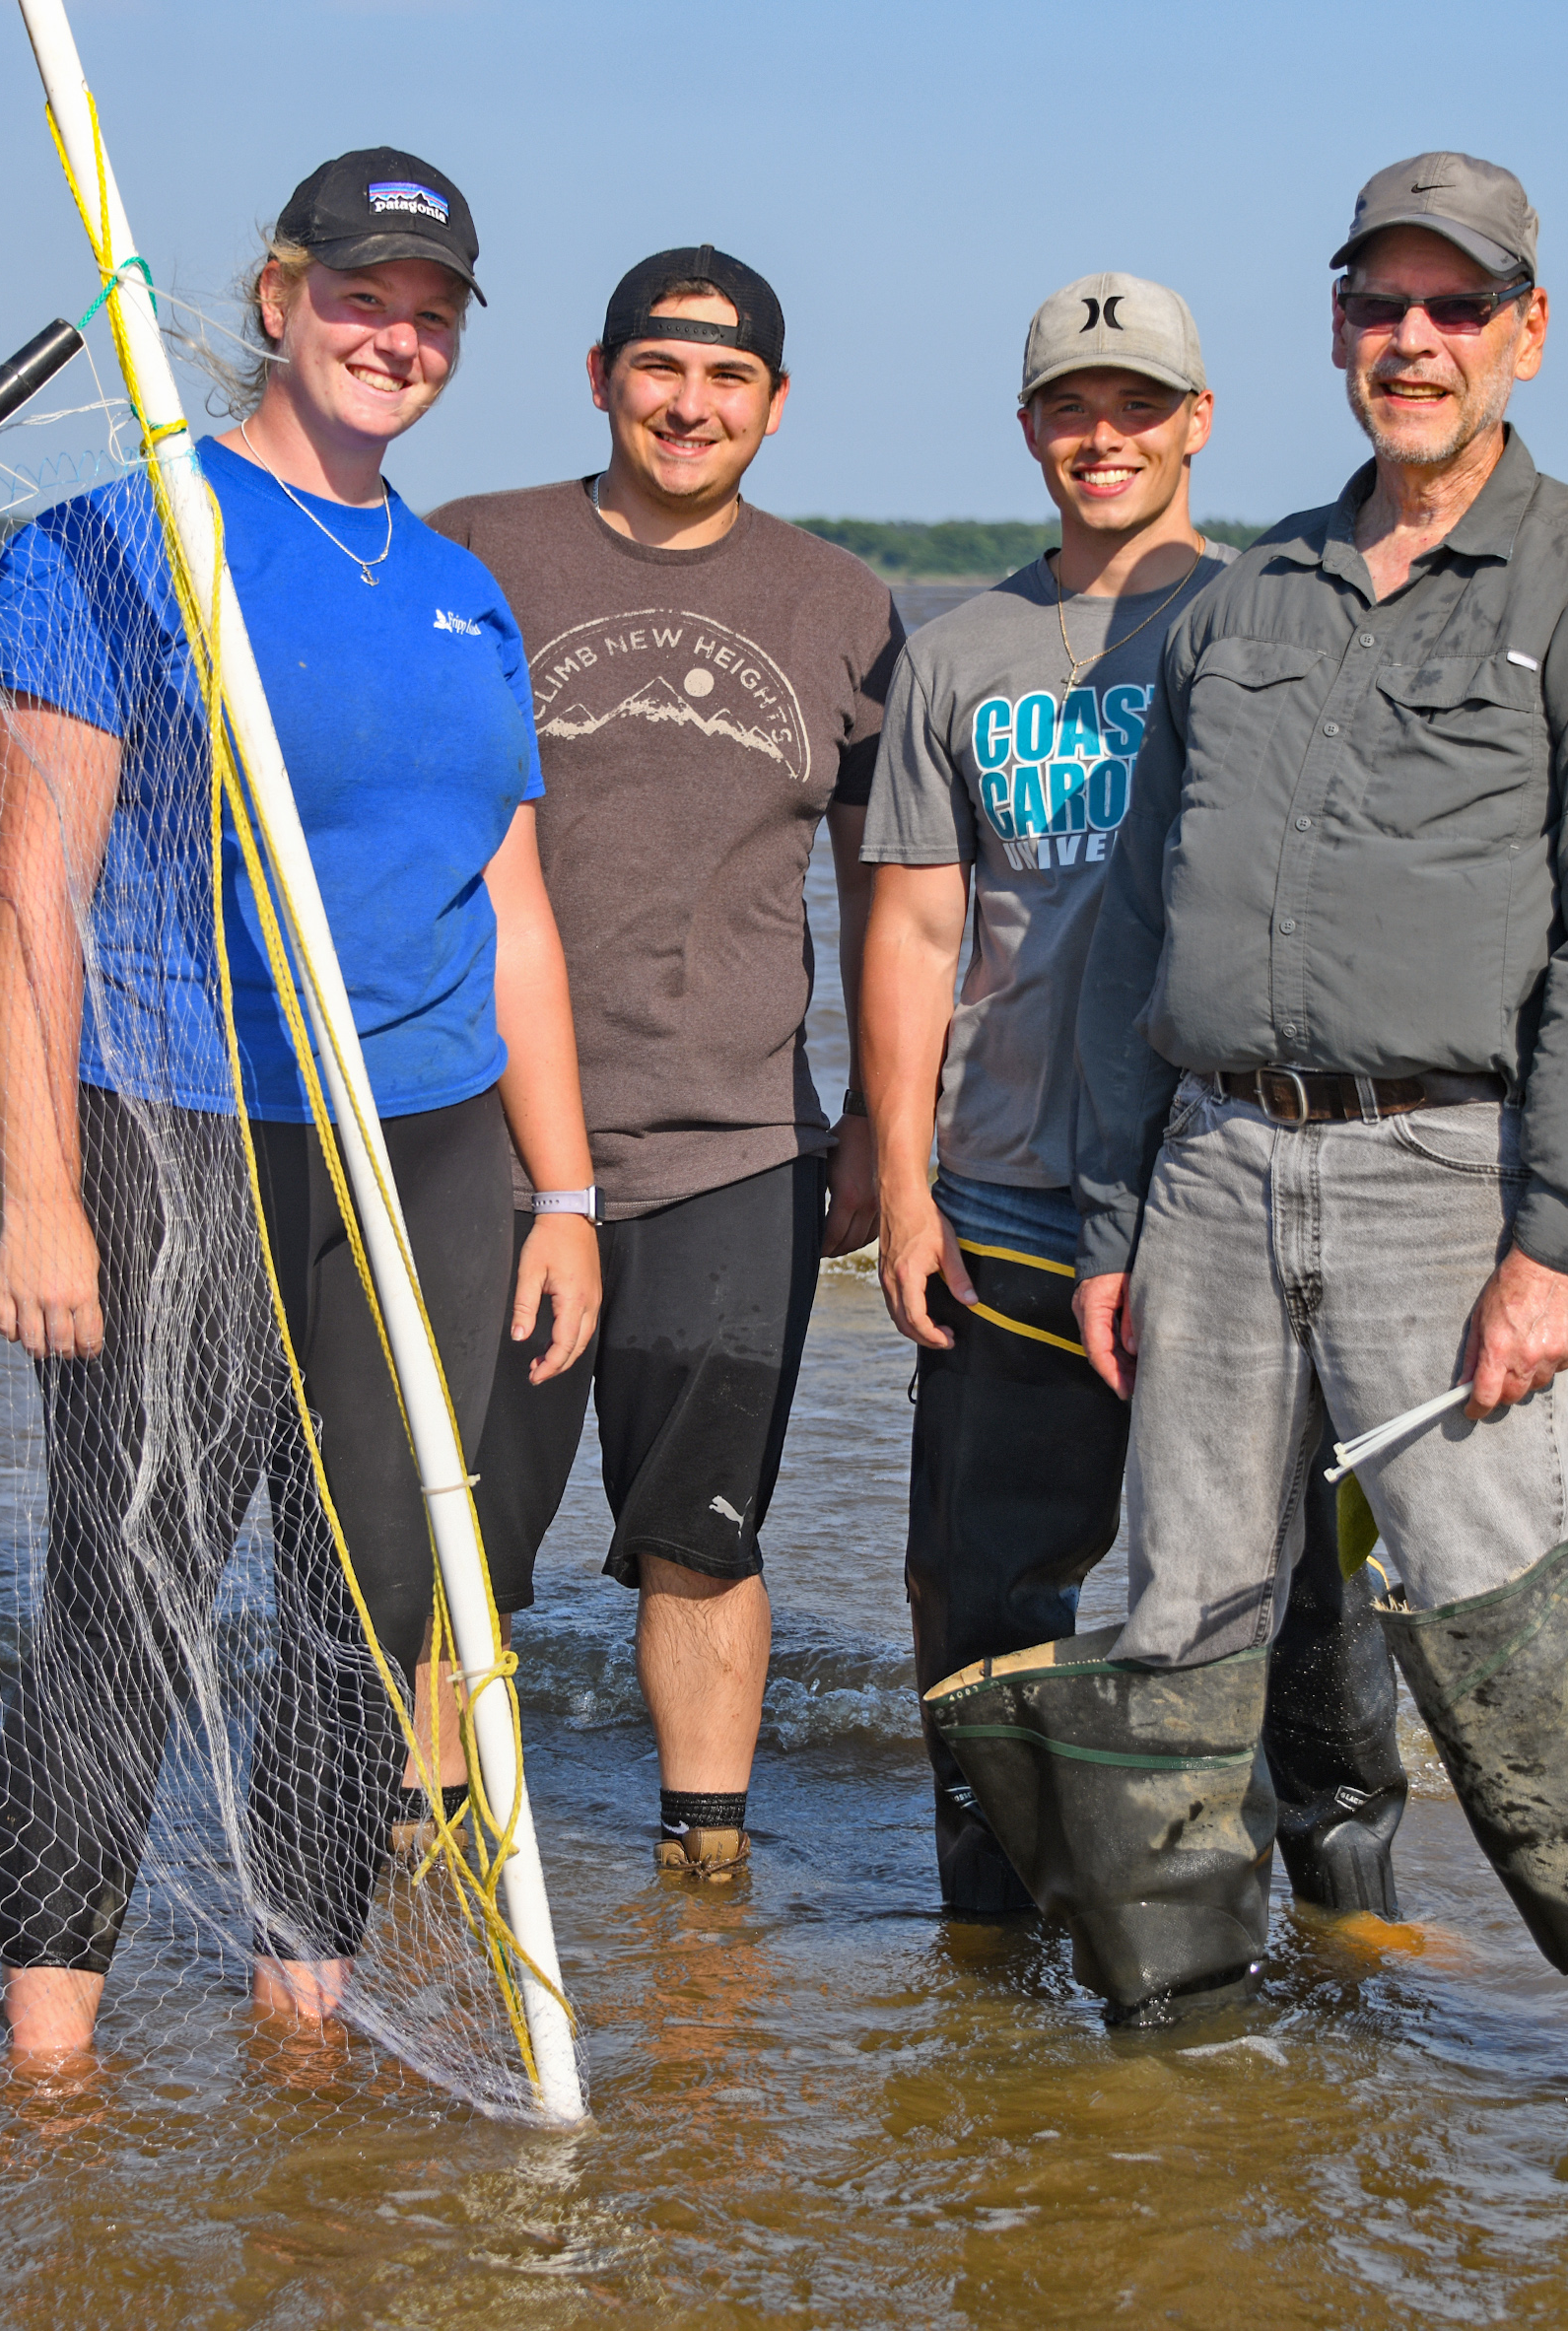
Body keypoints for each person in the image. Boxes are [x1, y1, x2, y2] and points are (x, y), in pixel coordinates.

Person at [950, 153, 1568, 2112]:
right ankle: (1183, 2065)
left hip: (1442, 1181)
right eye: (1380, 307)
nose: (1414, 340)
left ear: (1524, 335)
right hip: (1215, 1172)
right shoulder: (1250, 603)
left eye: (1454, 308)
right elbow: (1144, 917)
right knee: (1181, 1625)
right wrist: (1121, 1207)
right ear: (1335, 335)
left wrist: (1559, 1242)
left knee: (1509, 1628)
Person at [0, 148, 601, 2061]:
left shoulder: (465, 594)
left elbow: (510, 910)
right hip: (179, 1122)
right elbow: (32, 891)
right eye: (359, 296)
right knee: (133, 1578)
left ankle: (301, 1998)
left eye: (428, 313)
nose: (392, 336)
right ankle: (53, 2048)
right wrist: (41, 1187)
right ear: (275, 297)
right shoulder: (111, 540)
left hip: (429, 1146)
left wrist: (566, 1190)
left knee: (371, 1591)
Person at [858, 274, 1409, 1922]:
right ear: (1031, 427)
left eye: (1140, 407)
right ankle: (994, 1914)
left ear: (1201, 423)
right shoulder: (956, 654)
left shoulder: (1273, 620)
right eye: (1071, 408)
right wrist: (900, 1186)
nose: (1105, 437)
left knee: (1302, 1596)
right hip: (1012, 1202)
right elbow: (914, 926)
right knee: (988, 1589)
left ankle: (1344, 1902)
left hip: (1239, 1195)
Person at [430, 246, 901, 1880]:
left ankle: (707, 1871)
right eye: (660, 366)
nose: (691, 403)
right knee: (453, 1542)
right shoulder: (475, 551)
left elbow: (885, 892)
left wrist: (870, 1137)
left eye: (728, 377)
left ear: (774, 403)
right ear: (599, 375)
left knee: (702, 1537)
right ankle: (433, 1868)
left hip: (735, 1151)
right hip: (478, 1143)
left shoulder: (840, 603)